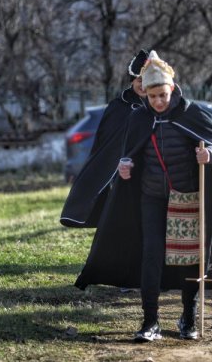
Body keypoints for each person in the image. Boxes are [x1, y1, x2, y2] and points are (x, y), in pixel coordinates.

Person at [69, 51, 212, 342]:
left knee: (189, 260)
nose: (159, 101)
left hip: (187, 199)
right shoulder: (139, 118)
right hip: (151, 198)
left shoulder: (192, 113)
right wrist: (125, 167)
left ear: (173, 89)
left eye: (163, 95)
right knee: (151, 256)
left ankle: (188, 316)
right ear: (145, 94)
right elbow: (129, 154)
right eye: (153, 96)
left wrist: (210, 155)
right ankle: (150, 321)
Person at [61, 49, 148, 228]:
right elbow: (107, 145)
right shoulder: (118, 107)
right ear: (132, 80)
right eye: (140, 80)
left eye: (148, 81)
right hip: (121, 172)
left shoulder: (157, 105)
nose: (143, 85)